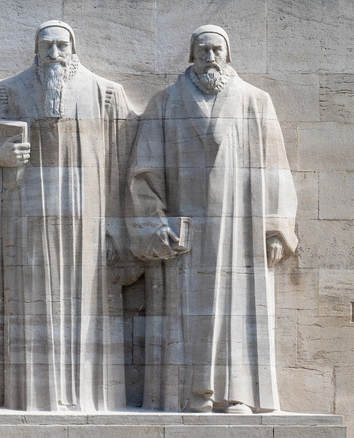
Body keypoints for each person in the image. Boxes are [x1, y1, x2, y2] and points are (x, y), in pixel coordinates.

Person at [126, 25, 298, 414]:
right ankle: (191, 395)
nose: (210, 57)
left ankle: (238, 395)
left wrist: (276, 226)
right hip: (186, 236)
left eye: (216, 50)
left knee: (239, 312)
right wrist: (153, 224)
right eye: (202, 50)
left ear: (228, 55)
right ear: (191, 55)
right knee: (187, 313)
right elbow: (144, 172)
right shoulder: (165, 103)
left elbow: (276, 170)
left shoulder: (256, 102)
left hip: (241, 231)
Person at [0, 20, 136, 411]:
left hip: (89, 226)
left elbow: (127, 164)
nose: (55, 54)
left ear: (73, 49)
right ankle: (31, 396)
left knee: (89, 304)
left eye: (62, 46)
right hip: (24, 224)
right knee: (29, 303)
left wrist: (117, 227)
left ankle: (89, 397)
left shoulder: (107, 95)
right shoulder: (4, 93)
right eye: (47, 47)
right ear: (36, 52)